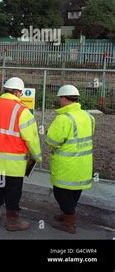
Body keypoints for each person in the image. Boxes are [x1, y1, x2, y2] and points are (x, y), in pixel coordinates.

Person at [0, 77, 42, 231]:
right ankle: (12, 222)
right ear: (17, 92)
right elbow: (31, 138)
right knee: (13, 192)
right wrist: (37, 156)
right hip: (14, 163)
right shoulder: (22, 111)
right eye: (21, 93)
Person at [45, 85, 94, 234]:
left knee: (60, 192)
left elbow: (52, 141)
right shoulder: (89, 117)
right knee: (74, 192)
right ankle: (67, 214)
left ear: (64, 99)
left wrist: (48, 133)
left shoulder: (63, 119)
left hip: (67, 165)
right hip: (84, 164)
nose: (60, 101)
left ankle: (70, 222)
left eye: (60, 98)